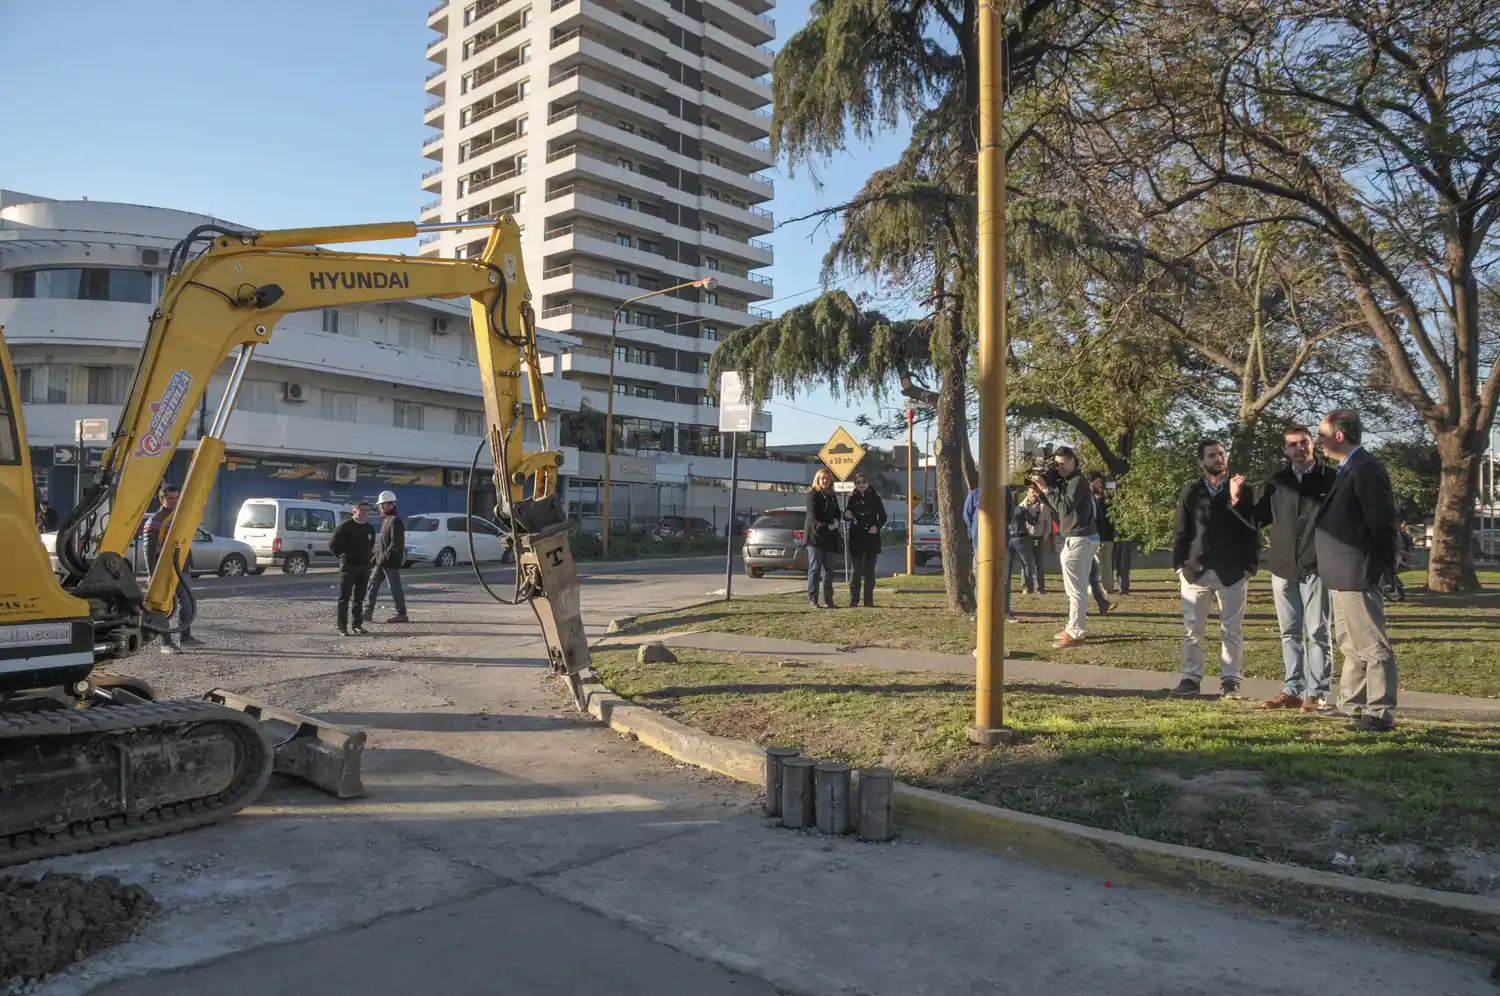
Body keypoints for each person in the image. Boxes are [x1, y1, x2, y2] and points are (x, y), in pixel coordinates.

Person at [1230, 424, 1337, 712]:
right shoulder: (1276, 482)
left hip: (1317, 565)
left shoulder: (1332, 479)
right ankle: (1292, 689)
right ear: (1285, 450)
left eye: (1303, 442)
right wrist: (1237, 497)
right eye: (1292, 444)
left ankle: (1317, 692)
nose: (1299, 448)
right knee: (1289, 632)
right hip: (1282, 567)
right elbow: (1257, 520)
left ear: (1312, 444)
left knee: (1317, 632)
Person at [1315, 410, 1400, 732]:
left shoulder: (1365, 468)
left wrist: (1386, 560)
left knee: (1372, 645)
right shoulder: (1348, 468)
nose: (1318, 442)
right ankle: (1352, 705)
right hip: (1341, 572)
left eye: (1321, 435)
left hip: (1357, 569)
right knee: (1350, 644)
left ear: (1339, 435)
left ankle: (1379, 711)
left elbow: (1381, 520)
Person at [1169, 440, 1260, 698]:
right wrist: (1179, 566)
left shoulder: (1244, 489)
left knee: (1231, 630)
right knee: (1193, 630)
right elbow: (1181, 531)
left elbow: (1253, 530)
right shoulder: (1191, 491)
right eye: (1212, 455)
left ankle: (1231, 680)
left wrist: (1250, 567)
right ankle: (1190, 678)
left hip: (1232, 572)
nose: (1218, 459)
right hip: (1195, 571)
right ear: (1202, 461)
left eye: (1221, 454)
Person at [1028, 446, 1096, 648]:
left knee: (1075, 590)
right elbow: (1057, 507)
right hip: (1079, 538)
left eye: (1061, 463)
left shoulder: (1077, 481)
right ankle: (1074, 628)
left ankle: (1075, 633)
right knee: (1076, 589)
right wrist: (1041, 493)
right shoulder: (1071, 482)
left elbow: (1065, 508)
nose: (1058, 468)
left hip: (1079, 539)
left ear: (1072, 460)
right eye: (1056, 464)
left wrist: (1047, 490)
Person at [144, 483, 203, 653]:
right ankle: (166, 643)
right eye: (170, 498)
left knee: (186, 602)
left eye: (177, 498)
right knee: (163, 605)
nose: (174, 501)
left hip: (182, 567)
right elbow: (148, 549)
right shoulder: (155, 521)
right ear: (162, 499)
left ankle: (185, 636)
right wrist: (151, 573)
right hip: (163, 570)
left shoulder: (180, 518)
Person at [962, 476, 1016, 622]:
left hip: (1001, 542)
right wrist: (976, 529)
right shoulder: (974, 494)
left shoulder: (1005, 494)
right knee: (981, 578)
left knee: (1003, 578)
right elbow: (966, 516)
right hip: (980, 543)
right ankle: (981, 610)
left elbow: (1011, 516)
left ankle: (1004, 611)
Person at [329, 501, 377, 635]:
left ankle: (357, 624)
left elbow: (370, 544)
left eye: (367, 510)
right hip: (348, 566)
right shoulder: (345, 527)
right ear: (354, 511)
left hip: (363, 566)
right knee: (344, 597)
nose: (364, 513)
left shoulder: (369, 528)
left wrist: (368, 560)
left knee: (359, 597)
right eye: (362, 510)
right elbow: (333, 545)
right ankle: (342, 627)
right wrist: (344, 557)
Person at [365, 491, 409, 623]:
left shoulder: (396, 521)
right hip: (382, 561)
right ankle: (367, 612)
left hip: (391, 562)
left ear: (391, 504)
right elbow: (382, 544)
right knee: (372, 584)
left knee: (394, 587)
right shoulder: (386, 520)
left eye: (382, 504)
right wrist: (373, 560)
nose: (380, 507)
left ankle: (401, 614)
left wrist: (383, 558)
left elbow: (396, 544)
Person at [843, 473, 886, 607]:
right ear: (855, 485)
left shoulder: (875, 498)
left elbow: (883, 517)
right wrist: (847, 515)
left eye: (863, 481)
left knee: (869, 571)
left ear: (867, 483)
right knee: (855, 571)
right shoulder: (852, 499)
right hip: (856, 538)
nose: (861, 484)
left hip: (871, 539)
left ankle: (868, 600)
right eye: (858, 482)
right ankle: (854, 600)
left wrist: (876, 527)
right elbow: (847, 514)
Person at [803, 468, 842, 609]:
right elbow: (812, 515)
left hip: (830, 537)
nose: (825, 481)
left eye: (827, 478)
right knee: (815, 569)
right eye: (822, 478)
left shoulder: (832, 495)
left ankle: (828, 600)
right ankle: (813, 599)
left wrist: (837, 521)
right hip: (815, 536)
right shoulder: (812, 494)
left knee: (829, 570)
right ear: (818, 480)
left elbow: (838, 512)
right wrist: (826, 525)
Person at [1010, 488, 1039, 597]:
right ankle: (1028, 587)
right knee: (1027, 564)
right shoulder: (1022, 510)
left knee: (1008, 564)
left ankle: (1006, 585)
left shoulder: (1003, 510)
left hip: (1009, 538)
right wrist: (1036, 515)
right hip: (1021, 538)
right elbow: (1032, 521)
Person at [1092, 478, 1117, 593]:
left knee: (1106, 564)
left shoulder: (1107, 502)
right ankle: (1097, 588)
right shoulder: (1092, 502)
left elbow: (1110, 521)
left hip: (1106, 538)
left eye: (1100, 483)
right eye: (1097, 484)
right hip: (1097, 537)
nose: (1099, 486)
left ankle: (1107, 587)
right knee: (1098, 563)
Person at [1023, 489, 1050, 594]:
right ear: (1027, 493)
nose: (1034, 494)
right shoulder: (1022, 506)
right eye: (1032, 492)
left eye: (1036, 492)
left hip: (1040, 538)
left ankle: (1041, 587)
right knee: (1026, 564)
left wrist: (1045, 536)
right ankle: (1027, 586)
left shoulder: (1043, 507)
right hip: (1026, 538)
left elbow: (1048, 524)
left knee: (1040, 564)